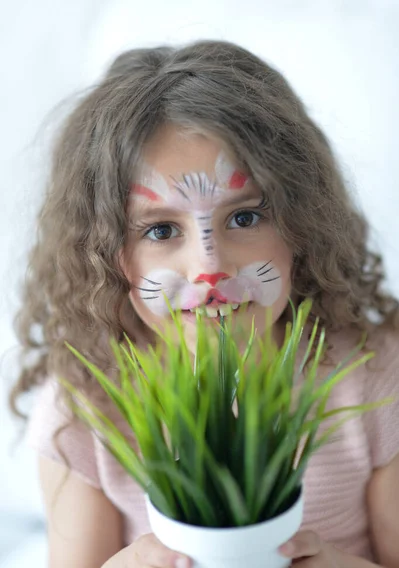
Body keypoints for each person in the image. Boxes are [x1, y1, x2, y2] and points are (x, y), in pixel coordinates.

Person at [8, 40, 399, 568]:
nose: (210, 269)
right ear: (106, 256)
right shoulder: (85, 408)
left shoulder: (374, 377)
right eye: (162, 229)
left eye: (244, 218)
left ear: (302, 224)